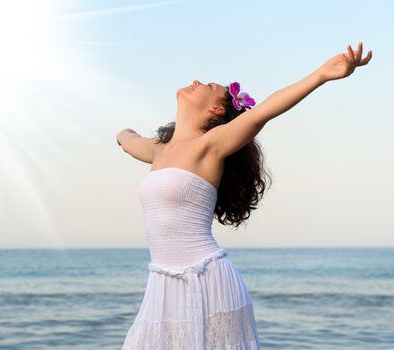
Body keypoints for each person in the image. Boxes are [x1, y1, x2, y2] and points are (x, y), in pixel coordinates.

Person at [117, 42, 372, 350]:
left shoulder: (211, 145)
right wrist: (125, 133)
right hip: (162, 284)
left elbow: (263, 111)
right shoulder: (158, 150)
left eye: (208, 86)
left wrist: (321, 75)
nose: (197, 81)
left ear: (217, 109)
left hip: (207, 279)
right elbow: (128, 139)